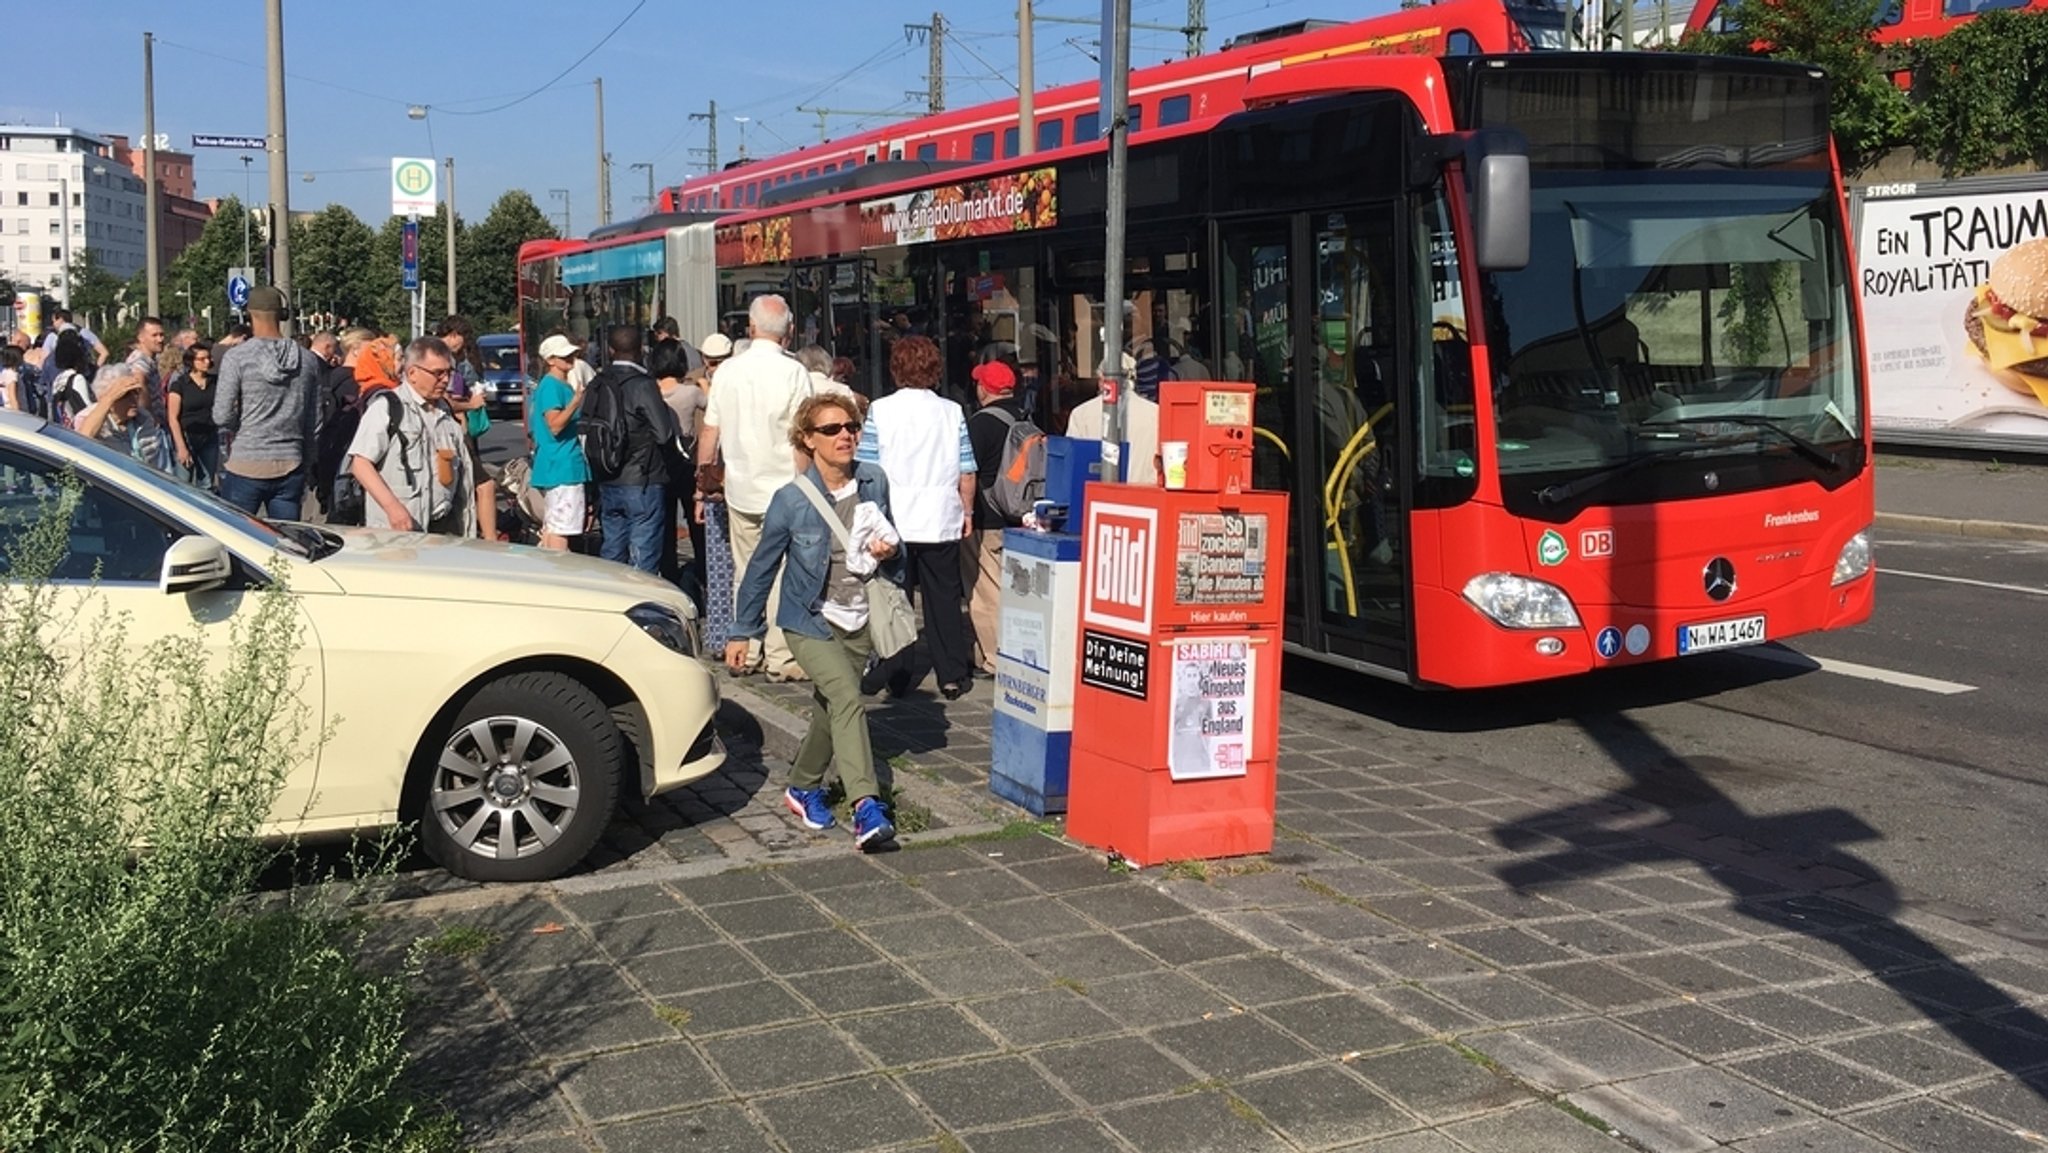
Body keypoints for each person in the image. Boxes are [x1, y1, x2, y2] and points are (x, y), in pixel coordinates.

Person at [726, 393, 905, 850]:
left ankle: (803, 787)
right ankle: (867, 806)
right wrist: (742, 631)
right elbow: (761, 568)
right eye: (831, 430)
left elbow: (891, 544)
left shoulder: (874, 481)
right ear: (808, 439)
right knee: (846, 696)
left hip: (860, 617)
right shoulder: (791, 501)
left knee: (831, 710)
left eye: (851, 427)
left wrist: (890, 552)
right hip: (809, 620)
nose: (845, 435)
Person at [696, 294, 816, 681]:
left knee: (746, 569)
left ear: (749, 327)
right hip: (784, 487)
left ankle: (745, 650)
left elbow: (710, 431)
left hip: (741, 487)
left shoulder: (727, 371)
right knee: (783, 571)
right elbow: (802, 437)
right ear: (790, 332)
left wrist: (702, 486)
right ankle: (781, 658)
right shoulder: (794, 372)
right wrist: (806, 484)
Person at [857, 334, 977, 699]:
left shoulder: (880, 409)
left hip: (894, 517)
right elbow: (966, 470)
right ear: (934, 369)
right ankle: (952, 674)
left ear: (896, 369)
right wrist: (967, 509)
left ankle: (897, 671)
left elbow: (868, 466)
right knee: (944, 598)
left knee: (897, 598)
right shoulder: (951, 411)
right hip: (940, 514)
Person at [344, 337, 473, 535]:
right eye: (438, 373)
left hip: (443, 530)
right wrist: (393, 508)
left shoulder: (446, 413)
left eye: (449, 372)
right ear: (412, 373)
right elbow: (360, 464)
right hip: (397, 534)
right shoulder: (387, 407)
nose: (446, 380)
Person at [214, 286, 321, 520]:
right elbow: (314, 421)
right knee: (286, 546)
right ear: (282, 315)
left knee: (236, 540)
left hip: (245, 463)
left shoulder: (237, 357)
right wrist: (308, 463)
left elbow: (221, 415)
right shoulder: (308, 360)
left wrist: (239, 426)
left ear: (249, 314)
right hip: (291, 462)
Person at [591, 326, 679, 574]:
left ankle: (608, 603)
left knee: (612, 552)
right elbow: (663, 434)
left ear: (610, 350)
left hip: (607, 477)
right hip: (642, 478)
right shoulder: (643, 386)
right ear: (641, 350)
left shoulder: (598, 382)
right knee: (642, 557)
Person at [964, 360, 1031, 674]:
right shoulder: (1025, 417)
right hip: (1017, 515)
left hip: (986, 517)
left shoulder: (980, 424)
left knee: (985, 590)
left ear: (984, 389)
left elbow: (966, 470)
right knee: (1011, 588)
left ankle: (994, 658)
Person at [436, 316, 499, 541]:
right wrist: (471, 404)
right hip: (454, 430)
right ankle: (490, 539)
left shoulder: (439, 356)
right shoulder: (445, 359)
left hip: (452, 429)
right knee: (484, 485)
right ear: (454, 334)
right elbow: (447, 400)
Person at [528, 334, 591, 551]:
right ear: (550, 360)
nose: (571, 358)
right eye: (564, 355)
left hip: (561, 463)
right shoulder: (552, 386)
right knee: (561, 529)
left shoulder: (557, 384)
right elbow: (554, 425)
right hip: (562, 465)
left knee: (554, 526)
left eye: (572, 353)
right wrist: (575, 403)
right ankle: (559, 569)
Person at [1065, 354, 1162, 487]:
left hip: (1098, 497)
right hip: (1146, 497)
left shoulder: (1081, 414)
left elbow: (1071, 465)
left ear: (1101, 380)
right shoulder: (1156, 413)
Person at [72, 361, 172, 473]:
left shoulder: (143, 419)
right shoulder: (86, 417)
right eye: (125, 395)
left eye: (136, 392)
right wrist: (109, 398)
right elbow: (81, 441)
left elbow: (158, 464)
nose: (134, 399)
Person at [165, 342, 220, 488]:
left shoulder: (215, 381)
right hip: (187, 436)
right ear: (191, 361)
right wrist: (181, 447)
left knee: (207, 482)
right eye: (201, 359)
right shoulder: (180, 384)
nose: (206, 362)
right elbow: (173, 417)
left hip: (209, 436)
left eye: (208, 358)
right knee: (183, 482)